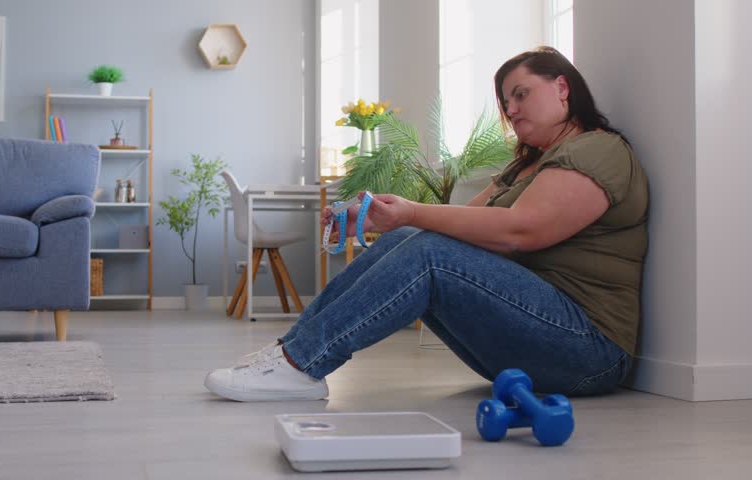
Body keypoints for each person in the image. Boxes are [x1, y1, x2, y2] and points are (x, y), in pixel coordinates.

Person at [205, 46, 649, 402]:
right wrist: (378, 217)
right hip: (531, 334)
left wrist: (412, 211)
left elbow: (521, 231)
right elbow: (463, 224)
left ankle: (301, 364)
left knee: (428, 251)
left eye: (521, 94)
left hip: (588, 348)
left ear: (562, 88)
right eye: (505, 101)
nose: (510, 110)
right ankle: (291, 354)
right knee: (412, 237)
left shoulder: (598, 151)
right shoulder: (525, 168)